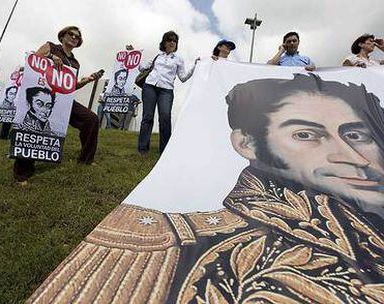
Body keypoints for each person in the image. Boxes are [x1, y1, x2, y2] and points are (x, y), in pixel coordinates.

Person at [28, 74, 384, 303]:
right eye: (306, 134)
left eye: (356, 134)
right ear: (246, 144)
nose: (351, 156)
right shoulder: (152, 248)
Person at [13, 26, 103, 184]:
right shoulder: (50, 46)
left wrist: (86, 80)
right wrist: (52, 56)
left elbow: (71, 86)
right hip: (43, 94)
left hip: (63, 99)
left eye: (77, 37)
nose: (74, 37)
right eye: (71, 34)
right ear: (63, 36)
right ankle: (22, 172)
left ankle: (86, 159)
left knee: (91, 119)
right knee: (35, 127)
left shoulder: (75, 62)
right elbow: (33, 59)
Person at [135, 30, 199, 154]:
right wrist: (135, 54)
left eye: (174, 41)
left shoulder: (179, 59)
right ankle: (142, 149)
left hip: (166, 90)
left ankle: (164, 151)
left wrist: (195, 66)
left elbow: (183, 77)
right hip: (150, 87)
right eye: (169, 40)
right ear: (164, 42)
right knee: (147, 117)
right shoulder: (157, 56)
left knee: (165, 117)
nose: (172, 42)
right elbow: (142, 68)